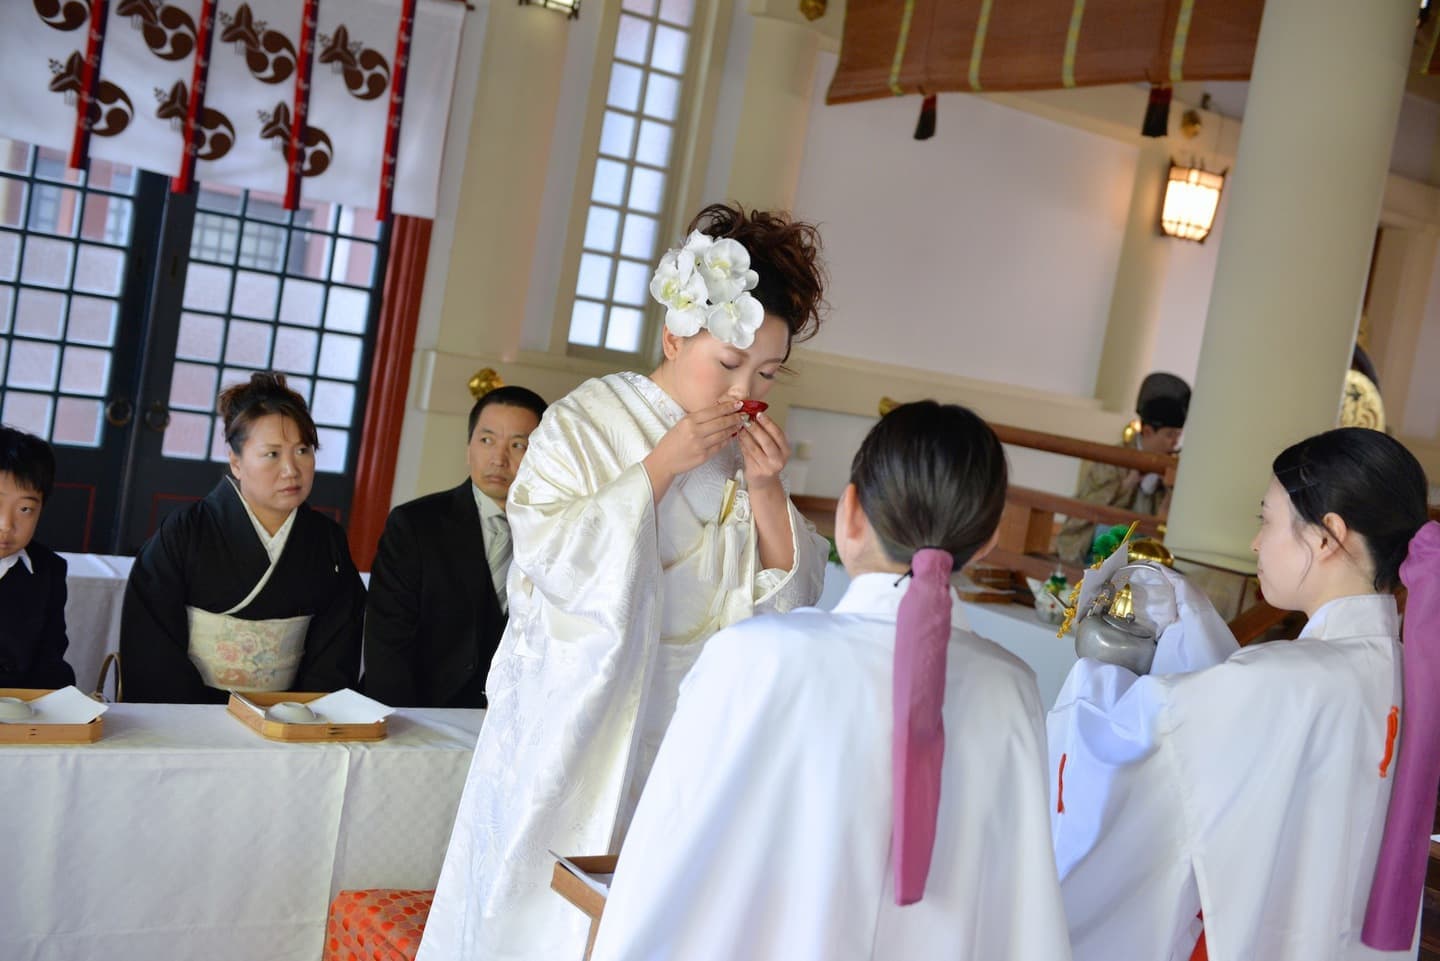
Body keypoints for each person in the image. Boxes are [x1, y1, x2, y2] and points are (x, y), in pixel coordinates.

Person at [418, 203, 831, 961]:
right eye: (729, 364)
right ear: (674, 336)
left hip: (693, 723)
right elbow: (547, 555)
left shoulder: (744, 452)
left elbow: (793, 604)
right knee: (542, 918)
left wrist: (768, 489)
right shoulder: (586, 421)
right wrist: (661, 465)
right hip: (590, 713)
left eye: (766, 374)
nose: (744, 390)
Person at [588, 401, 1073, 961]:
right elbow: (1021, 907)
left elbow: (663, 863)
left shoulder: (753, 659)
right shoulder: (1012, 690)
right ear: (986, 543)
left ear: (852, 512)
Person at [1047, 427, 1438, 960]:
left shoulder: (1288, 679)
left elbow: (1133, 744)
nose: (1256, 542)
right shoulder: (1399, 672)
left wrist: (1105, 665)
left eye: (1267, 520)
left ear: (1328, 536)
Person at [120, 373, 365, 703]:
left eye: (303, 450)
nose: (291, 469)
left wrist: (300, 713)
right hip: (192, 716)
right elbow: (151, 644)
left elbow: (335, 651)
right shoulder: (186, 532)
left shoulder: (327, 541)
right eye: (272, 454)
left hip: (288, 718)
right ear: (236, 462)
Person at [364, 385, 547, 708]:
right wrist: (406, 724)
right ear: (468, 448)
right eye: (487, 440)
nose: (499, 459)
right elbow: (387, 642)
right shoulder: (414, 525)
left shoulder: (558, 534)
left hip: (511, 715)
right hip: (418, 711)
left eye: (518, 445)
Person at [1056, 376, 1188, 564]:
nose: (1174, 442)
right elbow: (1089, 503)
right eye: (1169, 435)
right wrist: (1126, 485)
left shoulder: (1172, 464)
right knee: (1113, 535)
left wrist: (1168, 489)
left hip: (1144, 539)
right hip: (1097, 539)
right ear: (1148, 431)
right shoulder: (1114, 458)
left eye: (1178, 436)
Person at [0, 426, 76, 690]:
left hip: (21, 709)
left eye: (25, 509)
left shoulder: (49, 570)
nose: (6, 524)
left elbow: (50, 658)